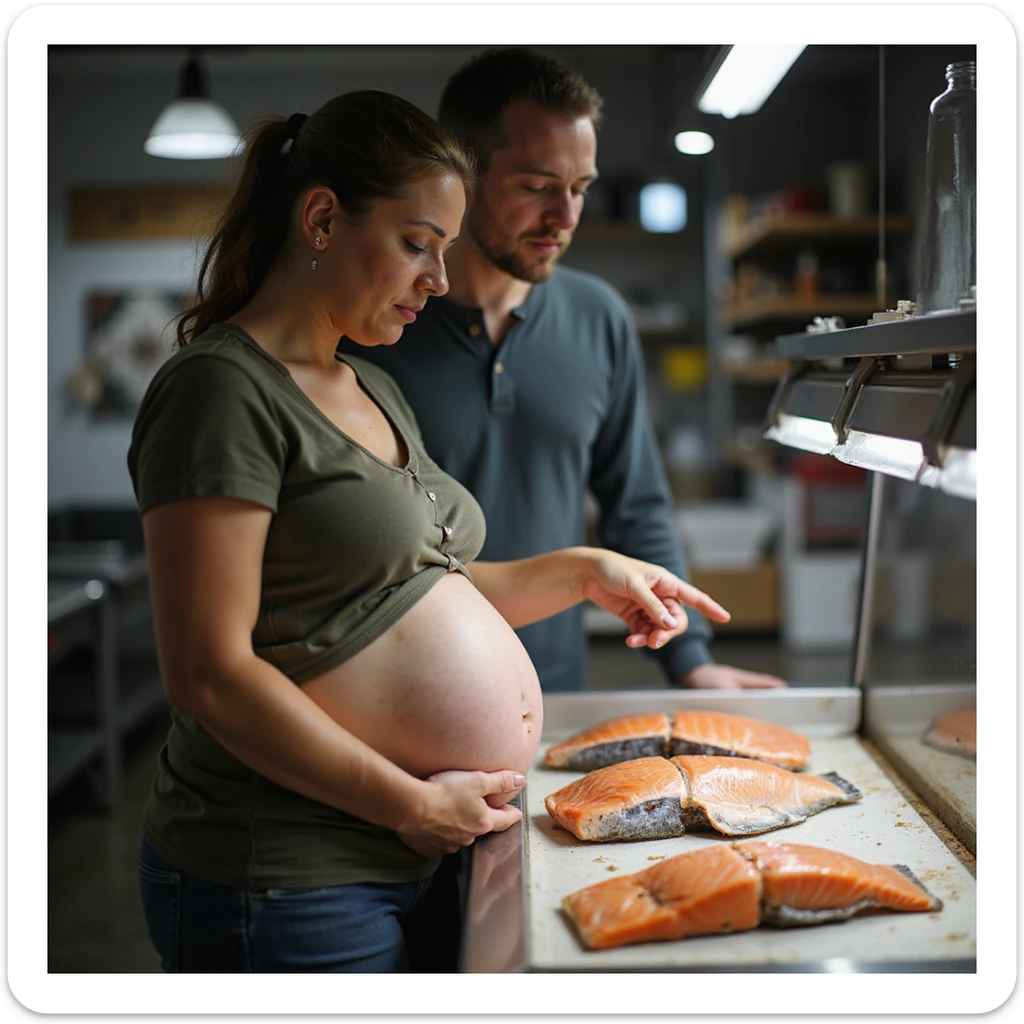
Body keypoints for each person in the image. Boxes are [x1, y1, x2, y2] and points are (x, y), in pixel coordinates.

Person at [127, 90, 730, 974]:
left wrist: (587, 571)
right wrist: (404, 803)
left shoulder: (369, 385)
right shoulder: (221, 391)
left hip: (419, 852)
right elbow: (208, 674)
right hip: (289, 874)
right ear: (324, 219)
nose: (439, 280)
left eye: (444, 250)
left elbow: (418, 586)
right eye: (417, 244)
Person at [338, 48, 788, 694]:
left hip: (550, 691)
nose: (567, 217)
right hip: (399, 696)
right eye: (537, 186)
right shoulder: (373, 330)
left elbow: (636, 504)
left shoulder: (598, 316)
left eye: (579, 189)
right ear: (459, 171)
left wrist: (691, 660)